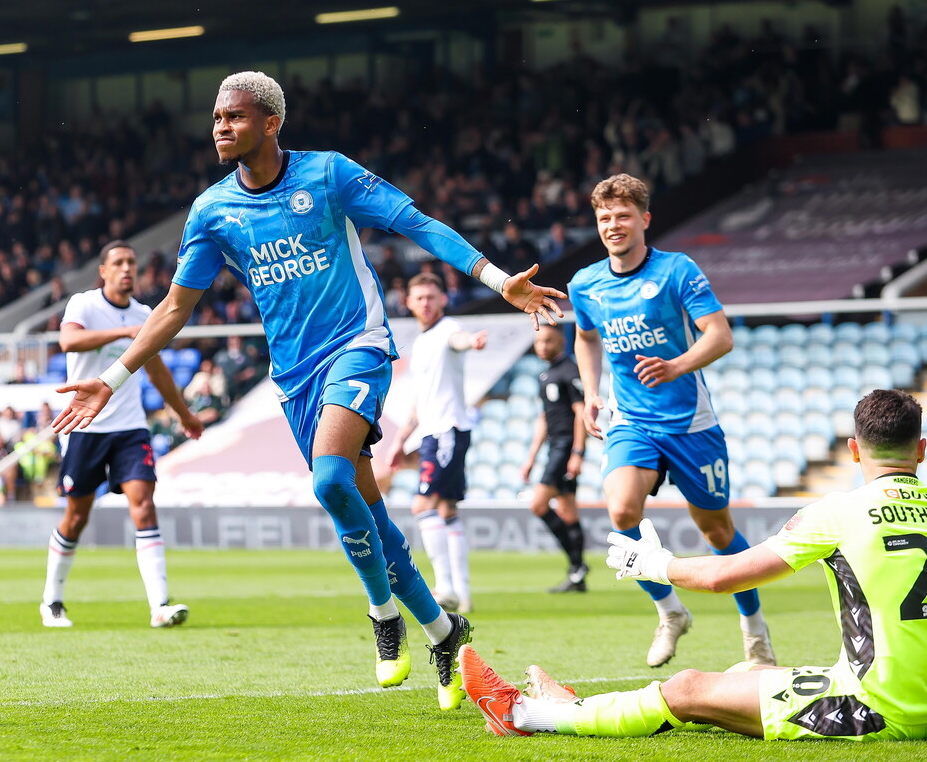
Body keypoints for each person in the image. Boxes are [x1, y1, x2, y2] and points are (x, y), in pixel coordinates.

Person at [51, 71, 565, 710]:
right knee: (371, 518)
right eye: (216, 118)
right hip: (292, 377)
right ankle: (443, 630)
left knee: (328, 481)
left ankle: (381, 614)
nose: (220, 127)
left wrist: (493, 278)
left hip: (358, 347)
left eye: (235, 117)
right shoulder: (213, 211)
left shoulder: (327, 174)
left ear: (271, 123)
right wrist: (110, 377)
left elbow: (415, 222)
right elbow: (175, 308)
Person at [460, 388, 927, 742]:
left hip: (879, 705)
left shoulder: (836, 513)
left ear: (852, 449)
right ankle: (572, 703)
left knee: (686, 689)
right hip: (901, 691)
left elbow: (723, 576)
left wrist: (655, 564)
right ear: (920, 450)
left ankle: (523, 715)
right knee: (745, 677)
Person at [568, 173, 773, 667]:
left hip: (690, 422)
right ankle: (669, 611)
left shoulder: (677, 271)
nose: (613, 226)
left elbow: (720, 336)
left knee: (718, 532)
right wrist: (592, 392)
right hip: (632, 421)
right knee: (620, 514)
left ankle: (755, 633)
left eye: (622, 216)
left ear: (644, 219)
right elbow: (586, 337)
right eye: (604, 218)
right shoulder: (585, 283)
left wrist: (676, 365)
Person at [41, 240, 204, 629]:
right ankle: (52, 601)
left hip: (130, 427)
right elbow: (68, 341)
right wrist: (126, 332)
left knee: (144, 504)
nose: (127, 268)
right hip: (86, 426)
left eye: (132, 262)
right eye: (118, 263)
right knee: (76, 517)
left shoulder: (145, 313)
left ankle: (160, 606)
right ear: (103, 271)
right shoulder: (83, 304)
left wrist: (183, 414)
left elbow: (157, 368)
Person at [386, 272, 487, 615]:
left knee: (422, 505)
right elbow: (421, 398)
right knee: (446, 510)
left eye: (432, 296)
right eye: (420, 298)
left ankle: (444, 587)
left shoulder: (448, 330)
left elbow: (458, 339)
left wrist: (471, 341)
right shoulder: (420, 342)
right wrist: (401, 439)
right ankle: (463, 590)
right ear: (409, 303)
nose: (426, 303)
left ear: (443, 299)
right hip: (435, 430)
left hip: (447, 430)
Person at [521, 324, 589, 593]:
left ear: (561, 340)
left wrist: (578, 452)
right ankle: (577, 573)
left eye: (548, 341)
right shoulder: (544, 375)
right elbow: (543, 418)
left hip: (565, 448)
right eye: (539, 342)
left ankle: (577, 566)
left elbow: (581, 412)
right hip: (554, 447)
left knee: (538, 504)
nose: (543, 346)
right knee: (569, 511)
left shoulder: (569, 370)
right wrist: (531, 457)